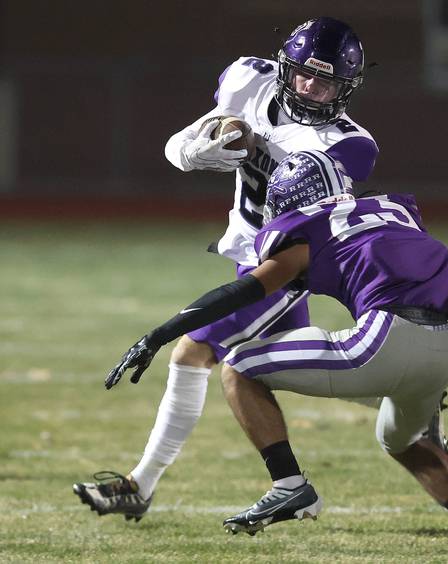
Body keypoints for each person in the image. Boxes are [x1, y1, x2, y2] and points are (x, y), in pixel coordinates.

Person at [100, 150, 448, 546]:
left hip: (383, 341)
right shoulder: (397, 216)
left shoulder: (310, 231)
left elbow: (241, 291)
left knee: (239, 364)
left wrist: (160, 333)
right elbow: (435, 307)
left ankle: (289, 485)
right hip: (441, 354)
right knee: (401, 442)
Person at [73, 16, 379, 522]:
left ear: (346, 88)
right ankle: (411, 404)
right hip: (246, 251)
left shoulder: (350, 145)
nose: (311, 87)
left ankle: (141, 485)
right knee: (298, 370)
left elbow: (305, 219)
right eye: (304, 73)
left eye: (326, 82)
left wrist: (251, 146)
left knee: (191, 354)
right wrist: (201, 148)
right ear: (286, 65)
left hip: (283, 266)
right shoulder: (247, 79)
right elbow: (178, 148)